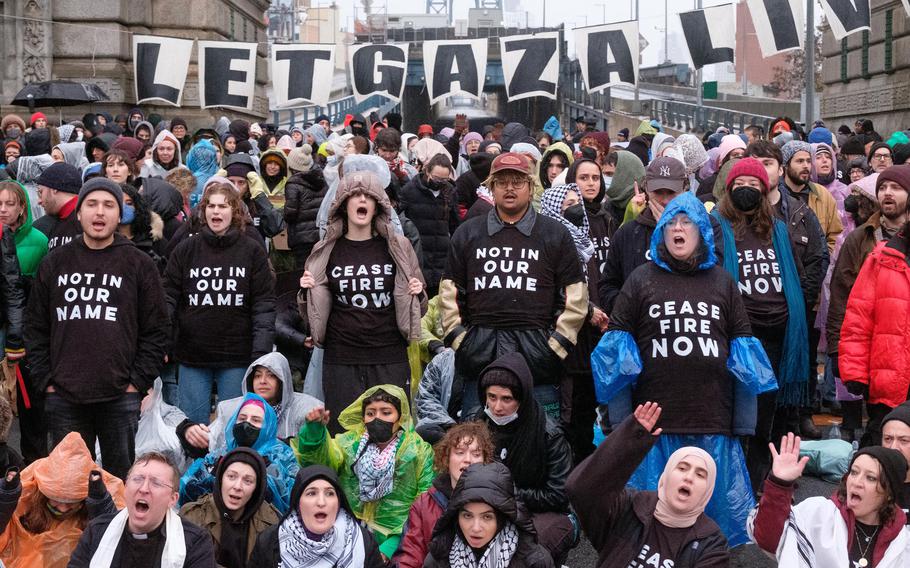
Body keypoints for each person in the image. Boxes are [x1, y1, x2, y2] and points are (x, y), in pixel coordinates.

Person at [591, 192, 776, 546]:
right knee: (651, 523)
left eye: (687, 222)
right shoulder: (640, 279)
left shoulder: (723, 283)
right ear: (661, 231)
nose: (678, 228)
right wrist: (621, 424)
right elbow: (616, 356)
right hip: (653, 425)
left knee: (711, 528)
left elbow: (744, 356)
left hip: (712, 422)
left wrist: (743, 425)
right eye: (671, 222)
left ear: (701, 232)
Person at [25, 178, 169, 480]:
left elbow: (156, 330)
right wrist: (46, 382)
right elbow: (36, 328)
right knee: (68, 486)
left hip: (120, 397)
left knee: (118, 485)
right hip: (64, 396)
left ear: (120, 215)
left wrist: (136, 383)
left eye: (108, 205)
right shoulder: (55, 263)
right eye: (91, 204)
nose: (99, 212)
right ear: (79, 213)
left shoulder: (139, 264)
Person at [439, 152, 588, 413]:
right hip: (479, 361)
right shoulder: (468, 233)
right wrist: (463, 344)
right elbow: (450, 294)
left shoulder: (555, 234)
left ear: (530, 187)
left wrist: (553, 348)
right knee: (476, 447)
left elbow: (574, 298)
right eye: (502, 182)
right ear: (491, 188)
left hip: (538, 363)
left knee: (542, 443)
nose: (509, 188)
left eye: (517, 182)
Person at [710, 158, 810, 493]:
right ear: (729, 189)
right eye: (740, 185)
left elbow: (796, 273)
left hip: (781, 336)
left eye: (754, 185)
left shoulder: (779, 229)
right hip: (742, 337)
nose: (747, 191)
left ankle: (765, 483)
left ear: (765, 190)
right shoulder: (717, 226)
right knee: (743, 418)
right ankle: (742, 486)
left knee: (769, 418)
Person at [300, 171, 426, 433]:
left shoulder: (398, 246)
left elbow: (420, 305)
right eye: (355, 195)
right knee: (343, 433)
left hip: (389, 353)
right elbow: (312, 313)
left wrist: (418, 292)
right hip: (341, 357)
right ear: (343, 205)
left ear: (378, 205)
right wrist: (305, 293)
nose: (362, 200)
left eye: (369, 196)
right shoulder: (325, 249)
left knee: (390, 434)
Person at [164, 180, 275, 424]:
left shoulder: (252, 250)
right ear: (203, 211)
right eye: (211, 206)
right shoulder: (185, 249)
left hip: (237, 356)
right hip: (193, 356)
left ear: (234, 211)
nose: (216, 211)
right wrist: (164, 343)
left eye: (223, 206)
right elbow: (169, 298)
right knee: (192, 430)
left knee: (232, 429)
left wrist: (261, 353)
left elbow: (263, 305)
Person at [568, 403, 729, 567]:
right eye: (681, 468)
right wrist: (630, 440)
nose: (689, 477)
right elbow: (581, 490)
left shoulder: (711, 544)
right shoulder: (630, 507)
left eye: (700, 475)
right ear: (665, 477)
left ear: (707, 491)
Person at [292, 385, 434, 560]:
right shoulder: (350, 444)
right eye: (371, 413)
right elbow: (320, 465)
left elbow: (424, 504)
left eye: (386, 412)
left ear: (401, 417)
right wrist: (314, 431)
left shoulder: (417, 451)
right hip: (345, 533)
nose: (377, 418)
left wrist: (391, 546)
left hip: (398, 541)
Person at [474, 353, 576, 563]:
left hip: (544, 513)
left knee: (526, 552)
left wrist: (508, 493)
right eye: (491, 397)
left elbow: (558, 495)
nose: (497, 407)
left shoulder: (549, 434)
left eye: (506, 399)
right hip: (489, 507)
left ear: (523, 399)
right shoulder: (478, 423)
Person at [750, 434, 909, 567]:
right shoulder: (819, 514)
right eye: (854, 472)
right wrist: (780, 484)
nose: (857, 482)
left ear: (888, 493)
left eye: (871, 478)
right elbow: (769, 541)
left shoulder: (901, 541)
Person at [840, 176, 910, 446]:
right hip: (888, 378)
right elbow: (859, 317)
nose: (888, 193)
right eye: (884, 188)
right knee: (884, 455)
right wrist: (855, 371)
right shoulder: (882, 258)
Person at [826, 172, 890, 443]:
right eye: (883, 188)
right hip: (867, 334)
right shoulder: (858, 239)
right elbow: (841, 292)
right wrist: (836, 345)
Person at [68, 452, 215, 567]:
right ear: (125, 487)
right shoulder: (97, 531)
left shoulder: (195, 543)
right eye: (137, 479)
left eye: (156, 483)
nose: (144, 489)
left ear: (173, 499)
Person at [0, 432, 124, 568]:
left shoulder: (108, 493)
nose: (62, 508)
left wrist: (100, 501)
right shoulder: (27, 492)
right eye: (56, 499)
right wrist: (6, 496)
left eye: (72, 502)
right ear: (42, 493)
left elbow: (115, 542)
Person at [599, 156, 705, 313]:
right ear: (646, 190)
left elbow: (710, 276)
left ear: (685, 190)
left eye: (671, 192)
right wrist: (631, 308)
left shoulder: (703, 228)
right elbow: (608, 286)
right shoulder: (627, 233)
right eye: (658, 192)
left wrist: (669, 231)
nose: (664, 200)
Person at [177, 352, 320, 456]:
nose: (262, 381)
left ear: (283, 381)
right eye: (257, 375)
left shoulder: (306, 410)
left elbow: (313, 454)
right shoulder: (231, 409)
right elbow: (209, 443)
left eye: (271, 375)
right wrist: (188, 431)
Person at [395, 421, 495, 568]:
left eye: (476, 454)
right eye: (460, 452)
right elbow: (409, 555)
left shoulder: (498, 499)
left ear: (485, 461)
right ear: (446, 459)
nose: (468, 459)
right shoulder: (424, 504)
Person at [180, 394, 300, 514]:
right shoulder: (218, 456)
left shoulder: (281, 455)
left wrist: (264, 474)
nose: (246, 424)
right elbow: (187, 493)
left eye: (256, 420)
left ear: (268, 426)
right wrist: (214, 474)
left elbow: (290, 499)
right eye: (242, 418)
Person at [248, 465, 386, 567]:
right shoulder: (270, 541)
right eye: (311, 493)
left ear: (339, 502)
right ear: (298, 503)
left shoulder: (364, 541)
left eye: (330, 493)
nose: (321, 502)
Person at [423, 462, 554, 568]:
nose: (475, 528)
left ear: (502, 518)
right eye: (467, 516)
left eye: (487, 517)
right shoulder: (438, 558)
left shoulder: (534, 561)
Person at [180, 448, 280, 568]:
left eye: (248, 481)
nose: (237, 486)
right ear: (221, 479)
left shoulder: (271, 522)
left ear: (257, 488)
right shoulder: (193, 516)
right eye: (231, 476)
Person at [399, 153, 459, 296]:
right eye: (436, 178)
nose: (439, 182)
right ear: (427, 171)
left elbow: (455, 225)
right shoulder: (410, 190)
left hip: (441, 255)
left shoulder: (450, 192)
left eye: (444, 180)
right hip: (418, 252)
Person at [223, 153, 286, 240]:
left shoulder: (257, 204)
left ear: (249, 184)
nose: (235, 187)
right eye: (231, 182)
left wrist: (260, 197)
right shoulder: (218, 204)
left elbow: (274, 228)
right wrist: (211, 189)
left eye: (241, 182)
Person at [283, 143, 326, 267]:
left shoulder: (293, 183)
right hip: (320, 235)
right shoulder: (321, 179)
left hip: (301, 238)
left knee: (304, 273)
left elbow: (290, 213)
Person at [32, 162, 83, 250]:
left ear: (54, 189)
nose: (39, 201)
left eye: (41, 192)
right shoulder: (55, 221)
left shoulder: (86, 219)